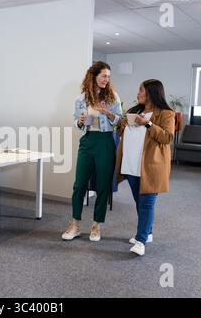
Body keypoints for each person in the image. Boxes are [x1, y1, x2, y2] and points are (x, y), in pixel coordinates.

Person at [62, 62, 122, 242]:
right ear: (93, 76)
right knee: (79, 185)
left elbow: (120, 121)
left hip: (105, 142)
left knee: (103, 185)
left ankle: (97, 225)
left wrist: (108, 113)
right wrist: (80, 121)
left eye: (108, 77)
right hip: (87, 142)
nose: (106, 80)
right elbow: (76, 122)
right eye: (104, 75)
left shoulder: (112, 97)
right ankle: (75, 224)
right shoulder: (80, 100)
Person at [116, 79, 175, 256]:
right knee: (140, 203)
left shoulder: (166, 113)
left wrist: (147, 123)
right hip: (131, 164)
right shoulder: (134, 111)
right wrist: (121, 122)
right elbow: (121, 131)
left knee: (147, 204)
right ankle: (147, 233)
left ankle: (141, 240)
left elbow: (167, 138)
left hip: (151, 167)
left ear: (150, 92)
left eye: (140, 90)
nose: (138, 94)